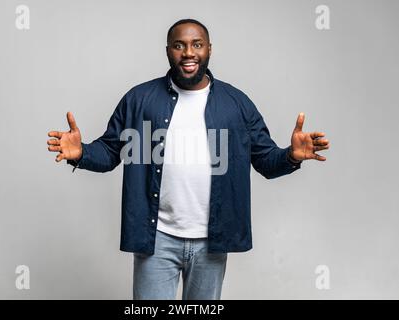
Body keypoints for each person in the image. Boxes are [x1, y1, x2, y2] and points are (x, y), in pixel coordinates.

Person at [46, 18, 330, 300]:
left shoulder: (237, 104)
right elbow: (109, 152)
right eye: (179, 45)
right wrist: (81, 153)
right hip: (156, 238)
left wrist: (291, 156)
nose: (189, 53)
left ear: (209, 49)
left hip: (212, 240)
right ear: (168, 50)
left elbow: (266, 160)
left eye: (197, 44)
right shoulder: (139, 99)